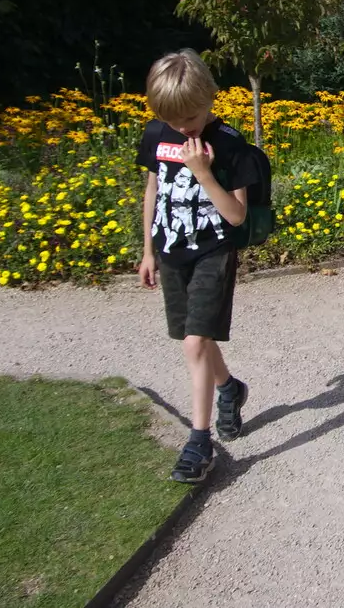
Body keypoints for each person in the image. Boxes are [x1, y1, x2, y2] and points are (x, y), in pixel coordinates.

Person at [136, 50, 260, 483]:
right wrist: (149, 249)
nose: (183, 126)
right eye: (173, 120)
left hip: (213, 251)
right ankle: (229, 387)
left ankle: (199, 440)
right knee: (197, 338)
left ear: (212, 98)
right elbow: (153, 190)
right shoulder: (156, 135)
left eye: (191, 116)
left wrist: (205, 174)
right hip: (170, 251)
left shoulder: (228, 145)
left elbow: (237, 216)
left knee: (194, 342)